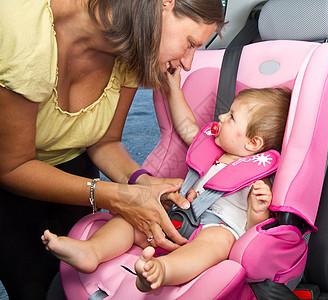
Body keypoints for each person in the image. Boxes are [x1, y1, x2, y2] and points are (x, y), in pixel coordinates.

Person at [0, 0, 225, 298]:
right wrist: (114, 196)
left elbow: (105, 141)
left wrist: (141, 182)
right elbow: (13, 167)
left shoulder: (133, 45)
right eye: (190, 44)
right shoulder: (22, 29)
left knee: (76, 280)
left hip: (73, 167)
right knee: (31, 286)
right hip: (9, 174)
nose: (187, 63)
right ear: (165, 3)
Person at [41, 67, 291, 292]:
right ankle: (92, 251)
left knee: (217, 243)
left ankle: (160, 270)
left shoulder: (258, 177)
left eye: (232, 117)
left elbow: (252, 229)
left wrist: (257, 209)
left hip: (216, 229)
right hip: (178, 216)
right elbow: (185, 126)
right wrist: (174, 89)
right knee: (133, 216)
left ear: (253, 143)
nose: (222, 117)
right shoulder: (211, 146)